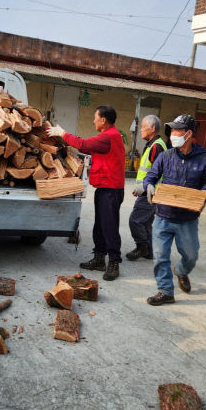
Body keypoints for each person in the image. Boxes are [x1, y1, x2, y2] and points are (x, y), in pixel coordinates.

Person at [139, 114, 206, 305]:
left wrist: (204, 192)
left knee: (191, 255)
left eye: (176, 130)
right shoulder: (165, 156)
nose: (172, 134)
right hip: (163, 215)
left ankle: (181, 271)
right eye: (171, 130)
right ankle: (165, 291)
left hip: (187, 218)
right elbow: (152, 176)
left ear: (188, 134)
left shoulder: (204, 159)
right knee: (160, 256)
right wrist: (149, 185)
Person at [47, 105, 125, 280]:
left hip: (111, 189)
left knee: (109, 226)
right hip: (105, 187)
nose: (93, 120)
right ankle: (99, 258)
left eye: (95, 117)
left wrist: (62, 134)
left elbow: (84, 144)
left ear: (103, 120)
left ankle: (114, 262)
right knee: (100, 225)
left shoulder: (109, 136)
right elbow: (87, 147)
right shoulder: (107, 137)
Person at [126, 115, 167, 261]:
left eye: (143, 126)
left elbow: (158, 172)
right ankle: (149, 251)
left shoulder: (157, 146)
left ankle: (142, 247)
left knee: (135, 220)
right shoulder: (152, 144)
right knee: (145, 222)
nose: (141, 130)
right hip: (149, 191)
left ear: (153, 128)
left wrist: (144, 188)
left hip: (151, 193)